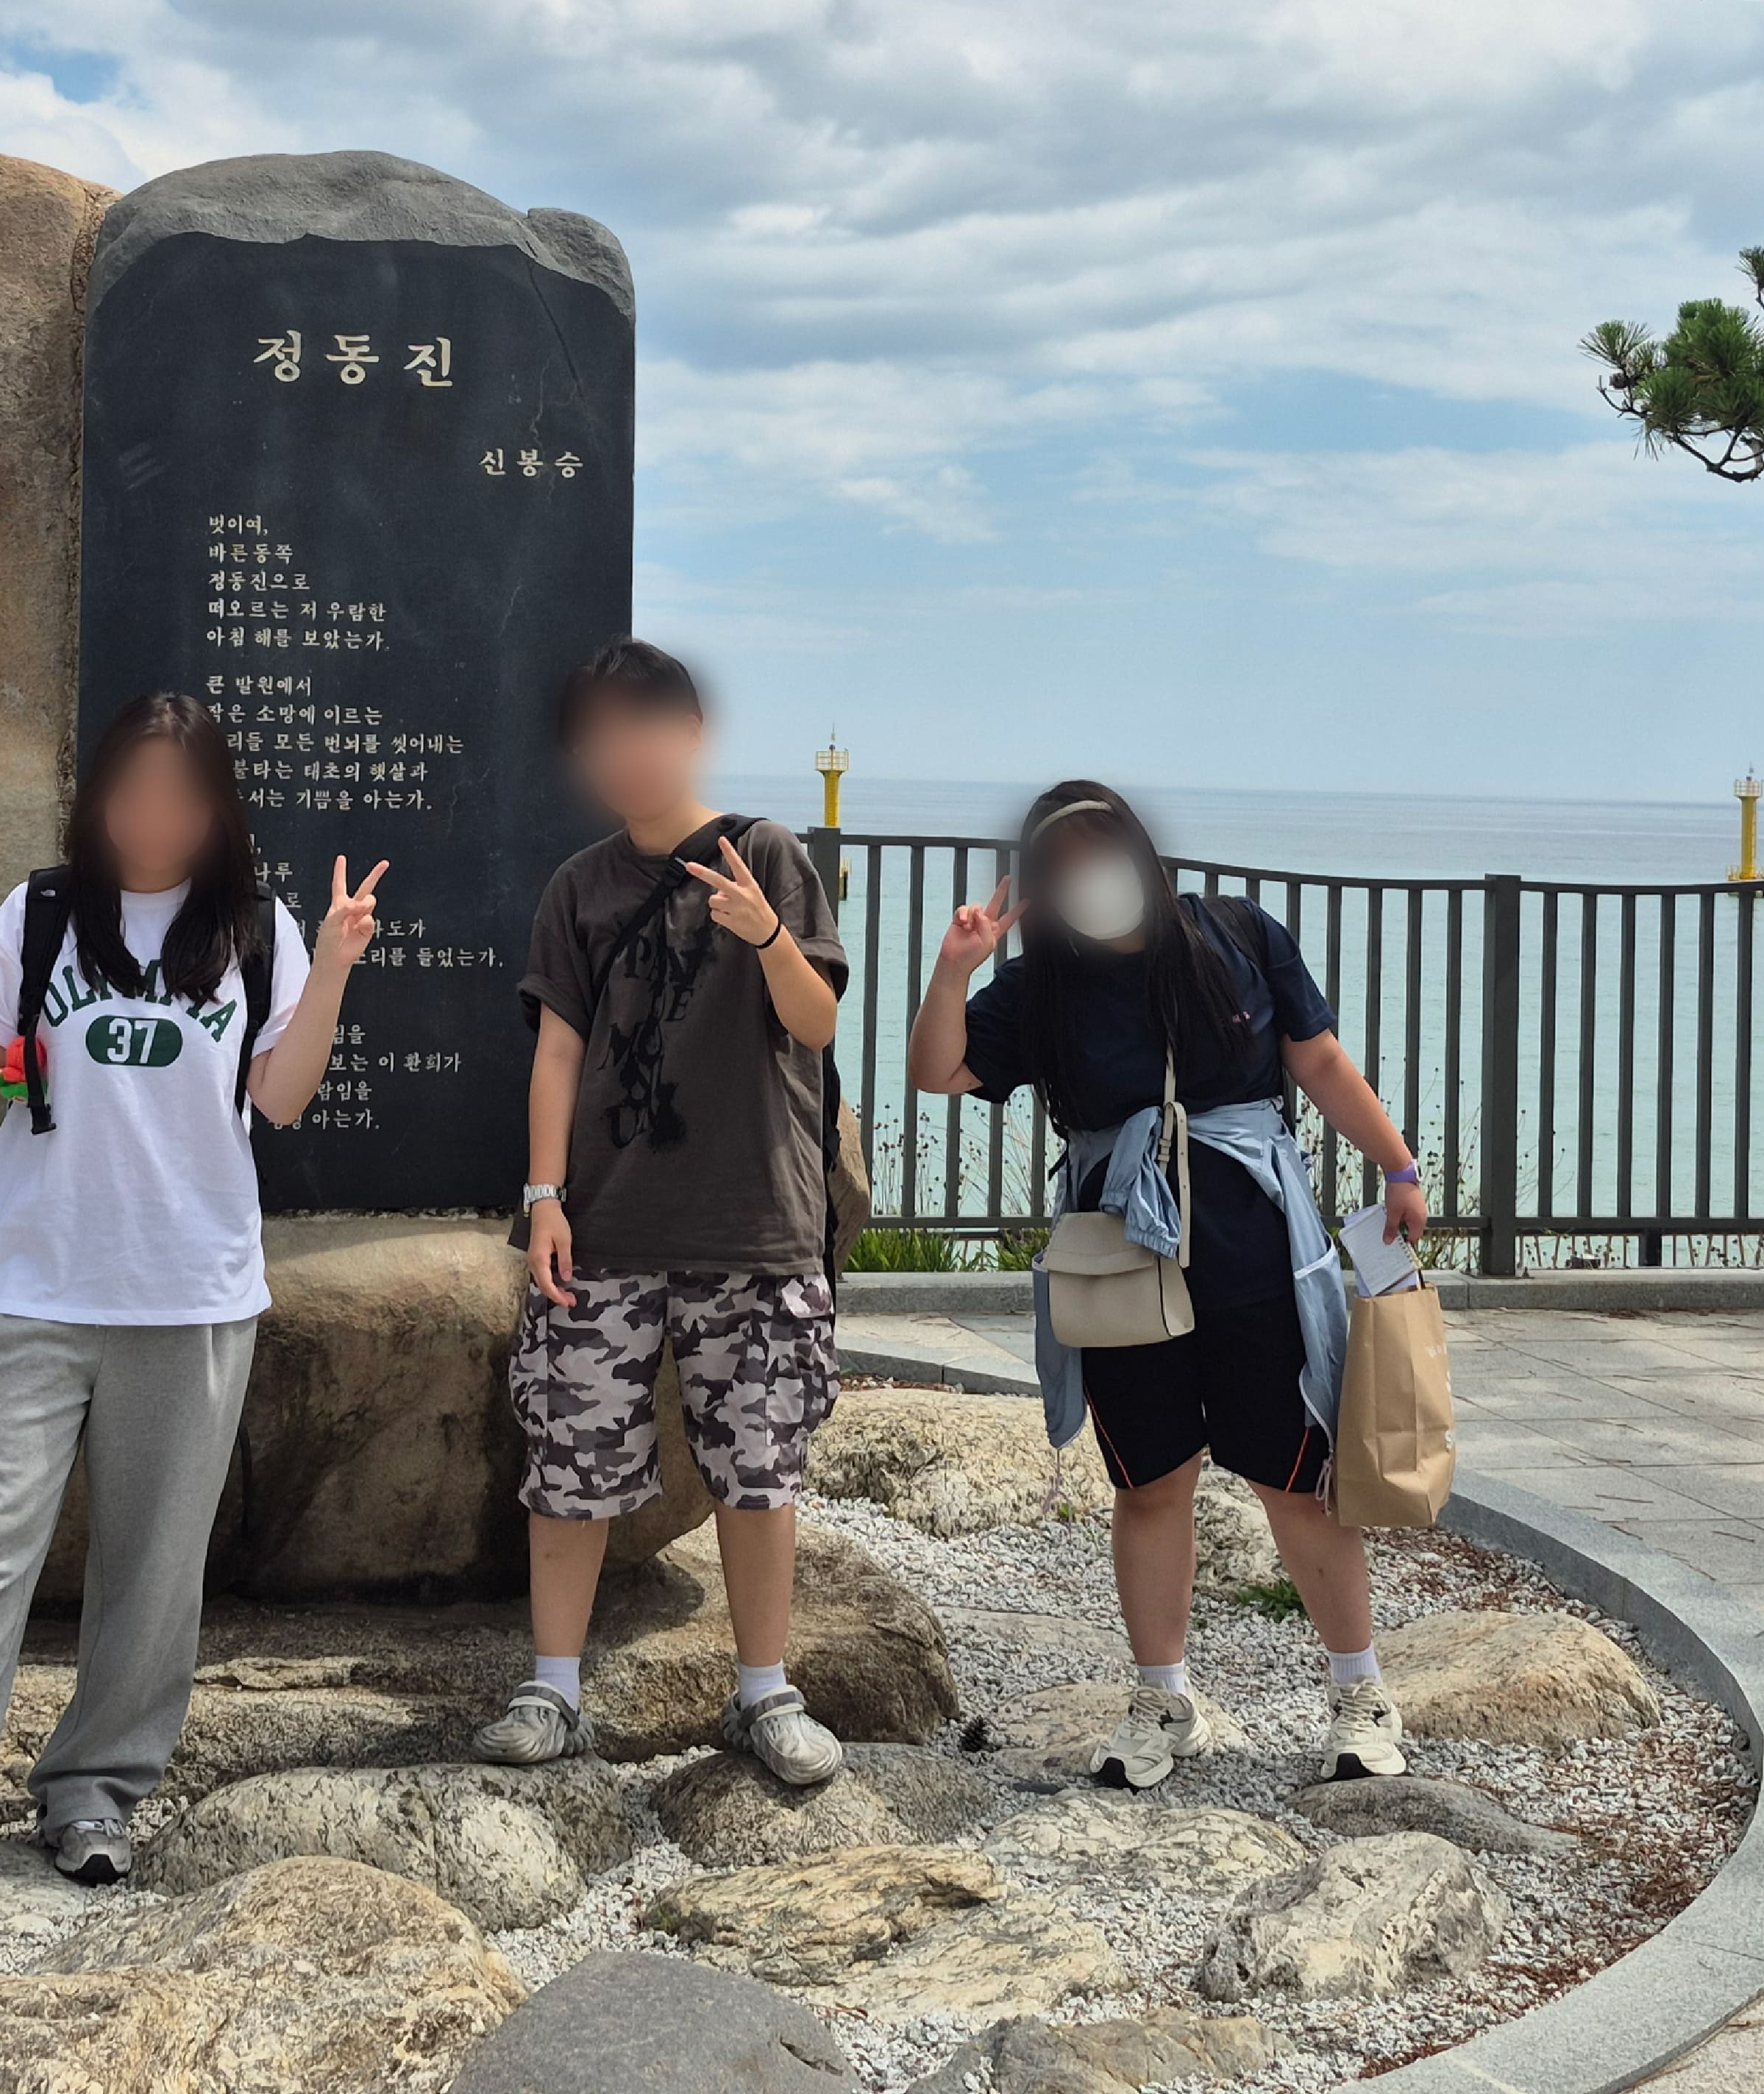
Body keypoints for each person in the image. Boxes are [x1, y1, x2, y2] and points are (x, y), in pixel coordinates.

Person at [0, 694, 386, 1946]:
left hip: (190, 1295)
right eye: (134, 790)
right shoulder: (41, 914)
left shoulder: (254, 929)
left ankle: (93, 1793)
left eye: (183, 794)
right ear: (99, 797)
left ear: (219, 809)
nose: (155, 817)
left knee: (152, 1572)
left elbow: (282, 1099)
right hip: (29, 1284)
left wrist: (338, 964)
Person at [901, 777, 1428, 1788]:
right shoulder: (1046, 984)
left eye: (1099, 852)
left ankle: (1360, 1695)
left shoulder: (1237, 935)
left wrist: (1398, 1167)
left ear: (1140, 850)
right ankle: (1161, 1701)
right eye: (1062, 865)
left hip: (1254, 1253)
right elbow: (940, 1071)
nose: (1088, 878)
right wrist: (953, 970)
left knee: (1297, 1481)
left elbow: (1318, 1061)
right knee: (1149, 1485)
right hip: (1120, 1267)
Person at [473, 639, 851, 1784]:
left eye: (644, 732)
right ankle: (554, 1689)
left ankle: (764, 1690)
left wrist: (766, 935)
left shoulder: (766, 854)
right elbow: (557, 1052)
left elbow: (818, 1021)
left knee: (760, 1464)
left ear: (690, 735)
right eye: (601, 741)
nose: (625, 758)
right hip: (607, 1223)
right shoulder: (578, 887)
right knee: (573, 1453)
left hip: (754, 1223)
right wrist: (544, 1197)